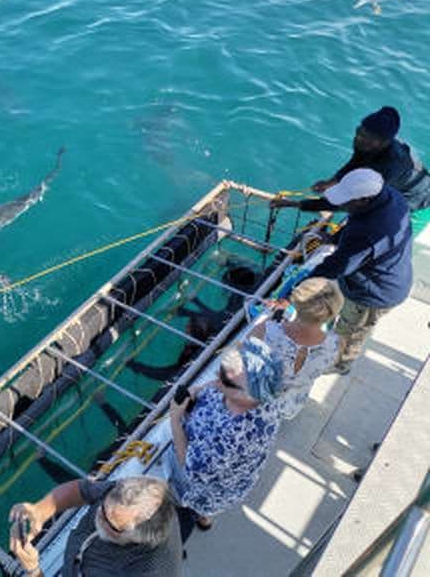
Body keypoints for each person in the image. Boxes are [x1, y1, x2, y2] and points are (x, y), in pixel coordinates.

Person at [273, 168, 413, 373]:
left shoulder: (369, 232)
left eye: (347, 201)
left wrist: (291, 297)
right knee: (345, 316)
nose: (342, 204)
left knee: (349, 332)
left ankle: (339, 364)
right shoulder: (391, 197)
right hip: (388, 270)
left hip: (374, 294)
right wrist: (334, 238)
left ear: (364, 200)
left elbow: (333, 266)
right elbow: (352, 225)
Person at [163, 339, 283, 530]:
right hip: (233, 484)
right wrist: (199, 390)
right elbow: (229, 379)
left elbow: (191, 466)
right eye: (220, 371)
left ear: (248, 395)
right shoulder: (267, 394)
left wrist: (175, 420)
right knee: (209, 508)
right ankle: (205, 520)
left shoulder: (232, 436)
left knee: (184, 497)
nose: (216, 378)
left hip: (201, 484)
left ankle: (193, 515)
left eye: (225, 380)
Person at [8, 476, 183, 577]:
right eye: (102, 509)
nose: (100, 519)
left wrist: (33, 570)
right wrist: (40, 511)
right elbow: (83, 490)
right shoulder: (122, 496)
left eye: (112, 526)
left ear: (139, 538)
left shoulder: (149, 571)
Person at [249, 278, 344, 419]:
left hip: (258, 404)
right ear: (332, 313)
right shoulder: (337, 344)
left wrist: (273, 317)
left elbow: (242, 366)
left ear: (296, 303)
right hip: (291, 404)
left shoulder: (265, 330)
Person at [311, 106, 430, 212]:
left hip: (416, 195)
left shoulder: (390, 166)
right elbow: (355, 163)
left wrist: (327, 202)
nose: (359, 139)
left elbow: (372, 200)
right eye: (360, 132)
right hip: (404, 175)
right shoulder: (365, 143)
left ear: (384, 142)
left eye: (367, 137)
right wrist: (331, 182)